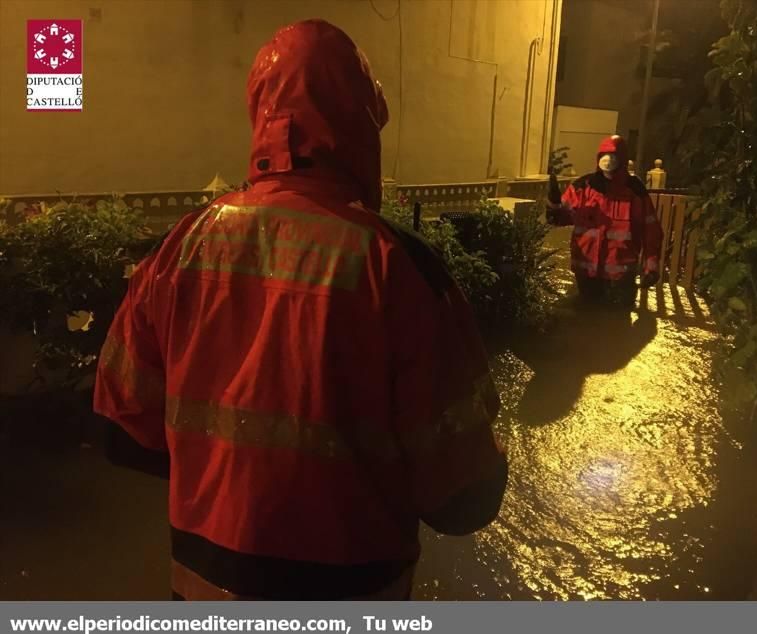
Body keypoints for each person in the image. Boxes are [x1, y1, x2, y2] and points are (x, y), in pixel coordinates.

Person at [93, 19, 507, 601]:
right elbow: (466, 500)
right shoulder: (398, 268)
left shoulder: (182, 247)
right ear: (363, 124)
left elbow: (120, 432)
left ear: (259, 115)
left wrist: (225, 477)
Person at [546, 135, 663, 309]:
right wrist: (554, 205)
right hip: (586, 273)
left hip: (621, 278)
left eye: (613, 155)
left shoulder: (634, 191)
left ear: (622, 158)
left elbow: (651, 230)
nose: (608, 160)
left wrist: (650, 267)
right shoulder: (583, 186)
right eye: (604, 155)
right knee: (586, 322)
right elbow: (561, 219)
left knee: (617, 325)